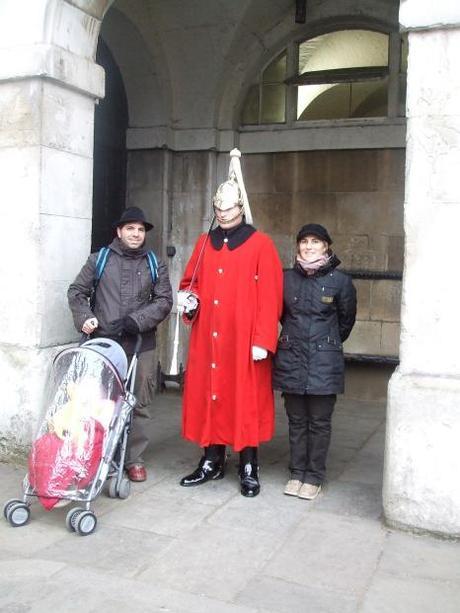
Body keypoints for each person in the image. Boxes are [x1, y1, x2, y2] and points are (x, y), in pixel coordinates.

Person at [177, 149, 283, 497]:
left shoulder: (261, 244)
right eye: (219, 210)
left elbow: (270, 296)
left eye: (229, 209)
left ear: (241, 208)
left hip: (244, 340)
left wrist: (262, 339)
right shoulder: (204, 243)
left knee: (245, 399)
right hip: (209, 338)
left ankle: (249, 464)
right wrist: (188, 302)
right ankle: (211, 460)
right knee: (212, 396)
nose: (223, 215)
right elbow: (190, 282)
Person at [67, 206, 173, 482]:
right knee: (98, 401)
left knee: (138, 402)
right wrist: (85, 317)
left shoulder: (154, 263)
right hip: (103, 343)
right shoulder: (99, 259)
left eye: (140, 230)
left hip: (141, 344)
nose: (136, 234)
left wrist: (136, 321)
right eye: (130, 229)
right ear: (119, 231)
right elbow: (77, 292)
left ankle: (132, 459)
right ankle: (95, 454)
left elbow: (164, 301)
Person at [273, 223, 356, 500]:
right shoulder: (286, 279)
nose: (309, 246)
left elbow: (345, 323)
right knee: (296, 420)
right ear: (298, 246)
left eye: (316, 242)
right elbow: (283, 316)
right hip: (292, 357)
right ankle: (297, 472)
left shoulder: (340, 281)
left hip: (324, 362)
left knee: (319, 422)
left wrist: (324, 344)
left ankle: (314, 477)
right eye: (304, 241)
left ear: (326, 246)